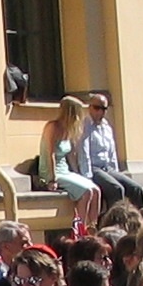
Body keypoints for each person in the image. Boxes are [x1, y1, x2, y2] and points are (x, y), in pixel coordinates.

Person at [78, 92, 143, 211]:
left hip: (107, 168)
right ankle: (117, 222)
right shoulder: (85, 126)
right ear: (90, 107)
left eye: (104, 109)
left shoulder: (106, 127)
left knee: (136, 189)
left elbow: (112, 152)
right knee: (116, 189)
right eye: (97, 108)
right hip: (93, 168)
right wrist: (87, 176)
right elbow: (84, 152)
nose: (100, 112)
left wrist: (116, 173)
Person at [41, 97, 102, 231]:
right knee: (86, 192)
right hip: (53, 170)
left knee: (96, 190)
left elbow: (70, 155)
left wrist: (78, 174)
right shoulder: (53, 127)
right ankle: (80, 229)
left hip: (65, 170)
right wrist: (52, 179)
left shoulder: (68, 129)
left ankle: (92, 229)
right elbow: (50, 154)